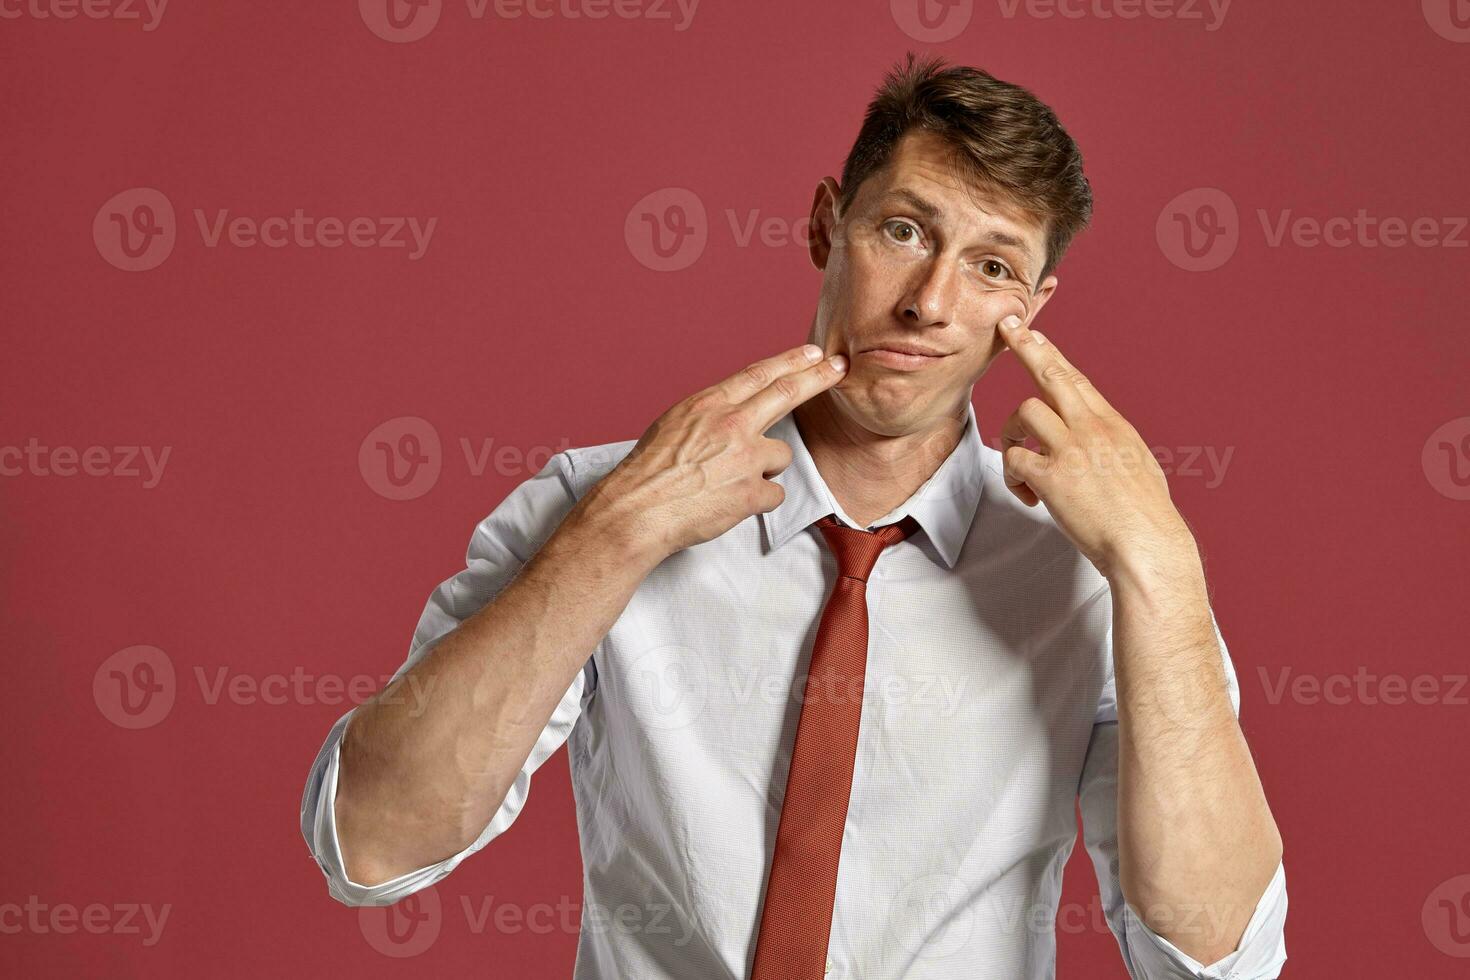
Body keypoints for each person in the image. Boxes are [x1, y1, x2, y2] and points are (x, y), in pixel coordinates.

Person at [301, 52, 1287, 979]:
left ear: (1033, 303)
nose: (932, 303)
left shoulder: (1092, 577)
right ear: (827, 224)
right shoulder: (599, 504)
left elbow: (1215, 955)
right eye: (904, 230)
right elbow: (373, 841)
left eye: (993, 266)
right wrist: (619, 532)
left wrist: (1162, 561)